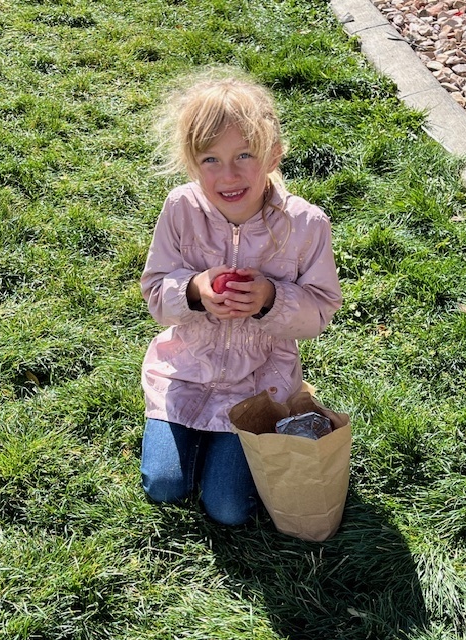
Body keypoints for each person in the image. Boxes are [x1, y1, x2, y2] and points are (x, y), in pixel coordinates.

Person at [140, 67, 342, 527]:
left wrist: (271, 299)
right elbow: (155, 293)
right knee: (164, 486)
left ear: (273, 155)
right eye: (209, 159)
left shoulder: (306, 225)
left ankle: (233, 444)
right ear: (191, 162)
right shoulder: (180, 209)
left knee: (227, 509)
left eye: (244, 155)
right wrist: (193, 291)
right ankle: (194, 439)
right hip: (186, 371)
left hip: (258, 381)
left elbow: (320, 311)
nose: (227, 175)